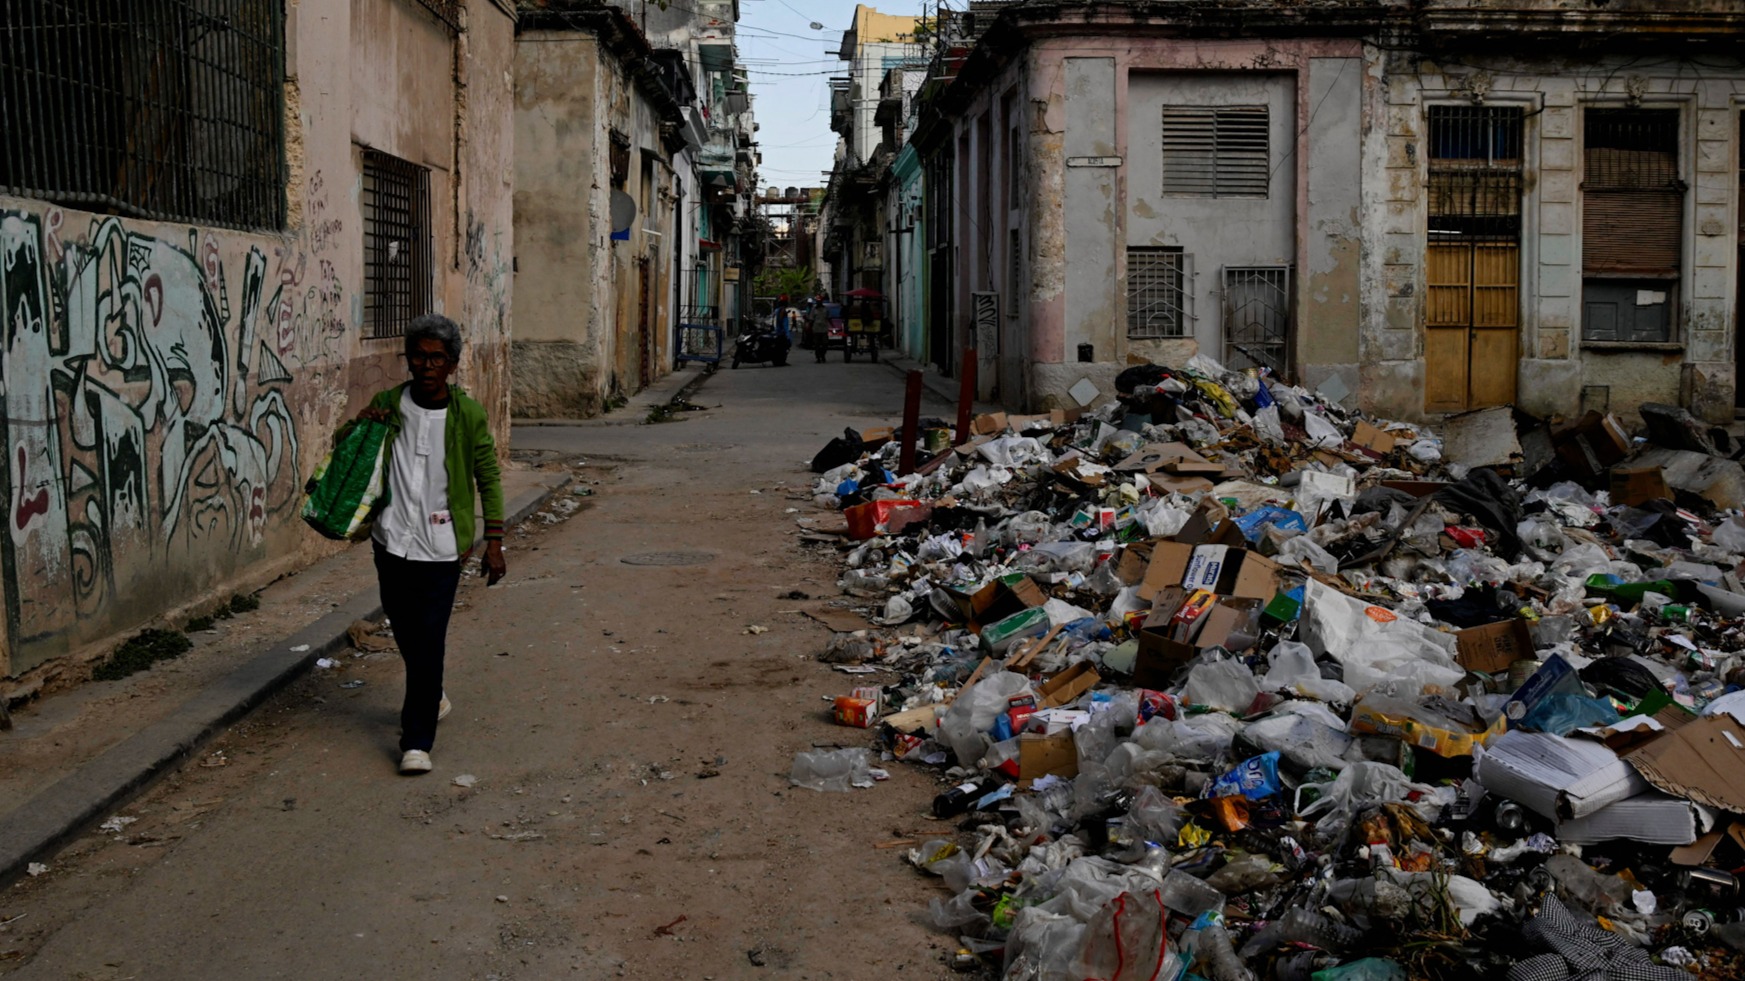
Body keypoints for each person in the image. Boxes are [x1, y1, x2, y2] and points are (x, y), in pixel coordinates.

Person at [353, 314, 505, 775]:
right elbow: (353, 451)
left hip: (442, 546)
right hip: (391, 538)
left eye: (437, 357)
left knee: (430, 639)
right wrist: (361, 426)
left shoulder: (469, 416)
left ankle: (416, 741)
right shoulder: (388, 402)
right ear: (408, 358)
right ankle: (431, 692)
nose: (426, 364)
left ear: (453, 364)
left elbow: (489, 476)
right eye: (418, 355)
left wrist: (493, 540)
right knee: (403, 627)